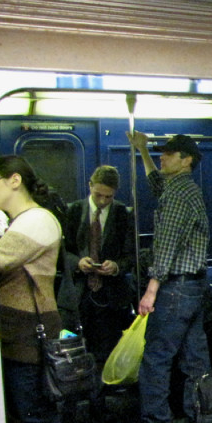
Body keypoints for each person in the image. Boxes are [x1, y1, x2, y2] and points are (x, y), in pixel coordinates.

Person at [0, 155, 73, 423]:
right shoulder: (17, 221)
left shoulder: (38, 220)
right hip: (15, 328)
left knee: (38, 415)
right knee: (24, 413)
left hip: (32, 329)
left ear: (13, 181)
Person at [125, 132, 210, 423]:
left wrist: (151, 289)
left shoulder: (178, 195)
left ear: (186, 160)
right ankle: (197, 421)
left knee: (156, 360)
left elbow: (166, 243)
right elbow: (156, 183)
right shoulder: (183, 189)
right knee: (194, 360)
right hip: (194, 287)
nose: (163, 157)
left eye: (169, 154)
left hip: (175, 288)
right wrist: (143, 151)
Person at [60, 166, 135, 391]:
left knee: (106, 349)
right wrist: (77, 263)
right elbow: (62, 251)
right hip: (77, 292)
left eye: (108, 197)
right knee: (72, 348)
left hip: (109, 295)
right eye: (98, 195)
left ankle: (100, 400)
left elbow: (131, 254)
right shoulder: (72, 212)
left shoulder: (124, 214)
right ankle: (74, 399)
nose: (103, 201)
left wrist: (116, 266)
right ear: (90, 186)